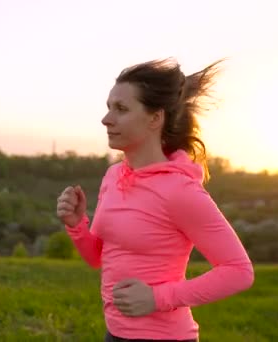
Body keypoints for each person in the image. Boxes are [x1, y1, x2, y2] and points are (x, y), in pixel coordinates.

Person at [56, 58, 254, 342]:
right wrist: (77, 225)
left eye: (121, 109)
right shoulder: (114, 176)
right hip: (114, 334)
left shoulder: (180, 190)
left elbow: (239, 272)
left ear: (155, 118)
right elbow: (99, 258)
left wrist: (157, 297)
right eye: (109, 108)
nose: (106, 119)